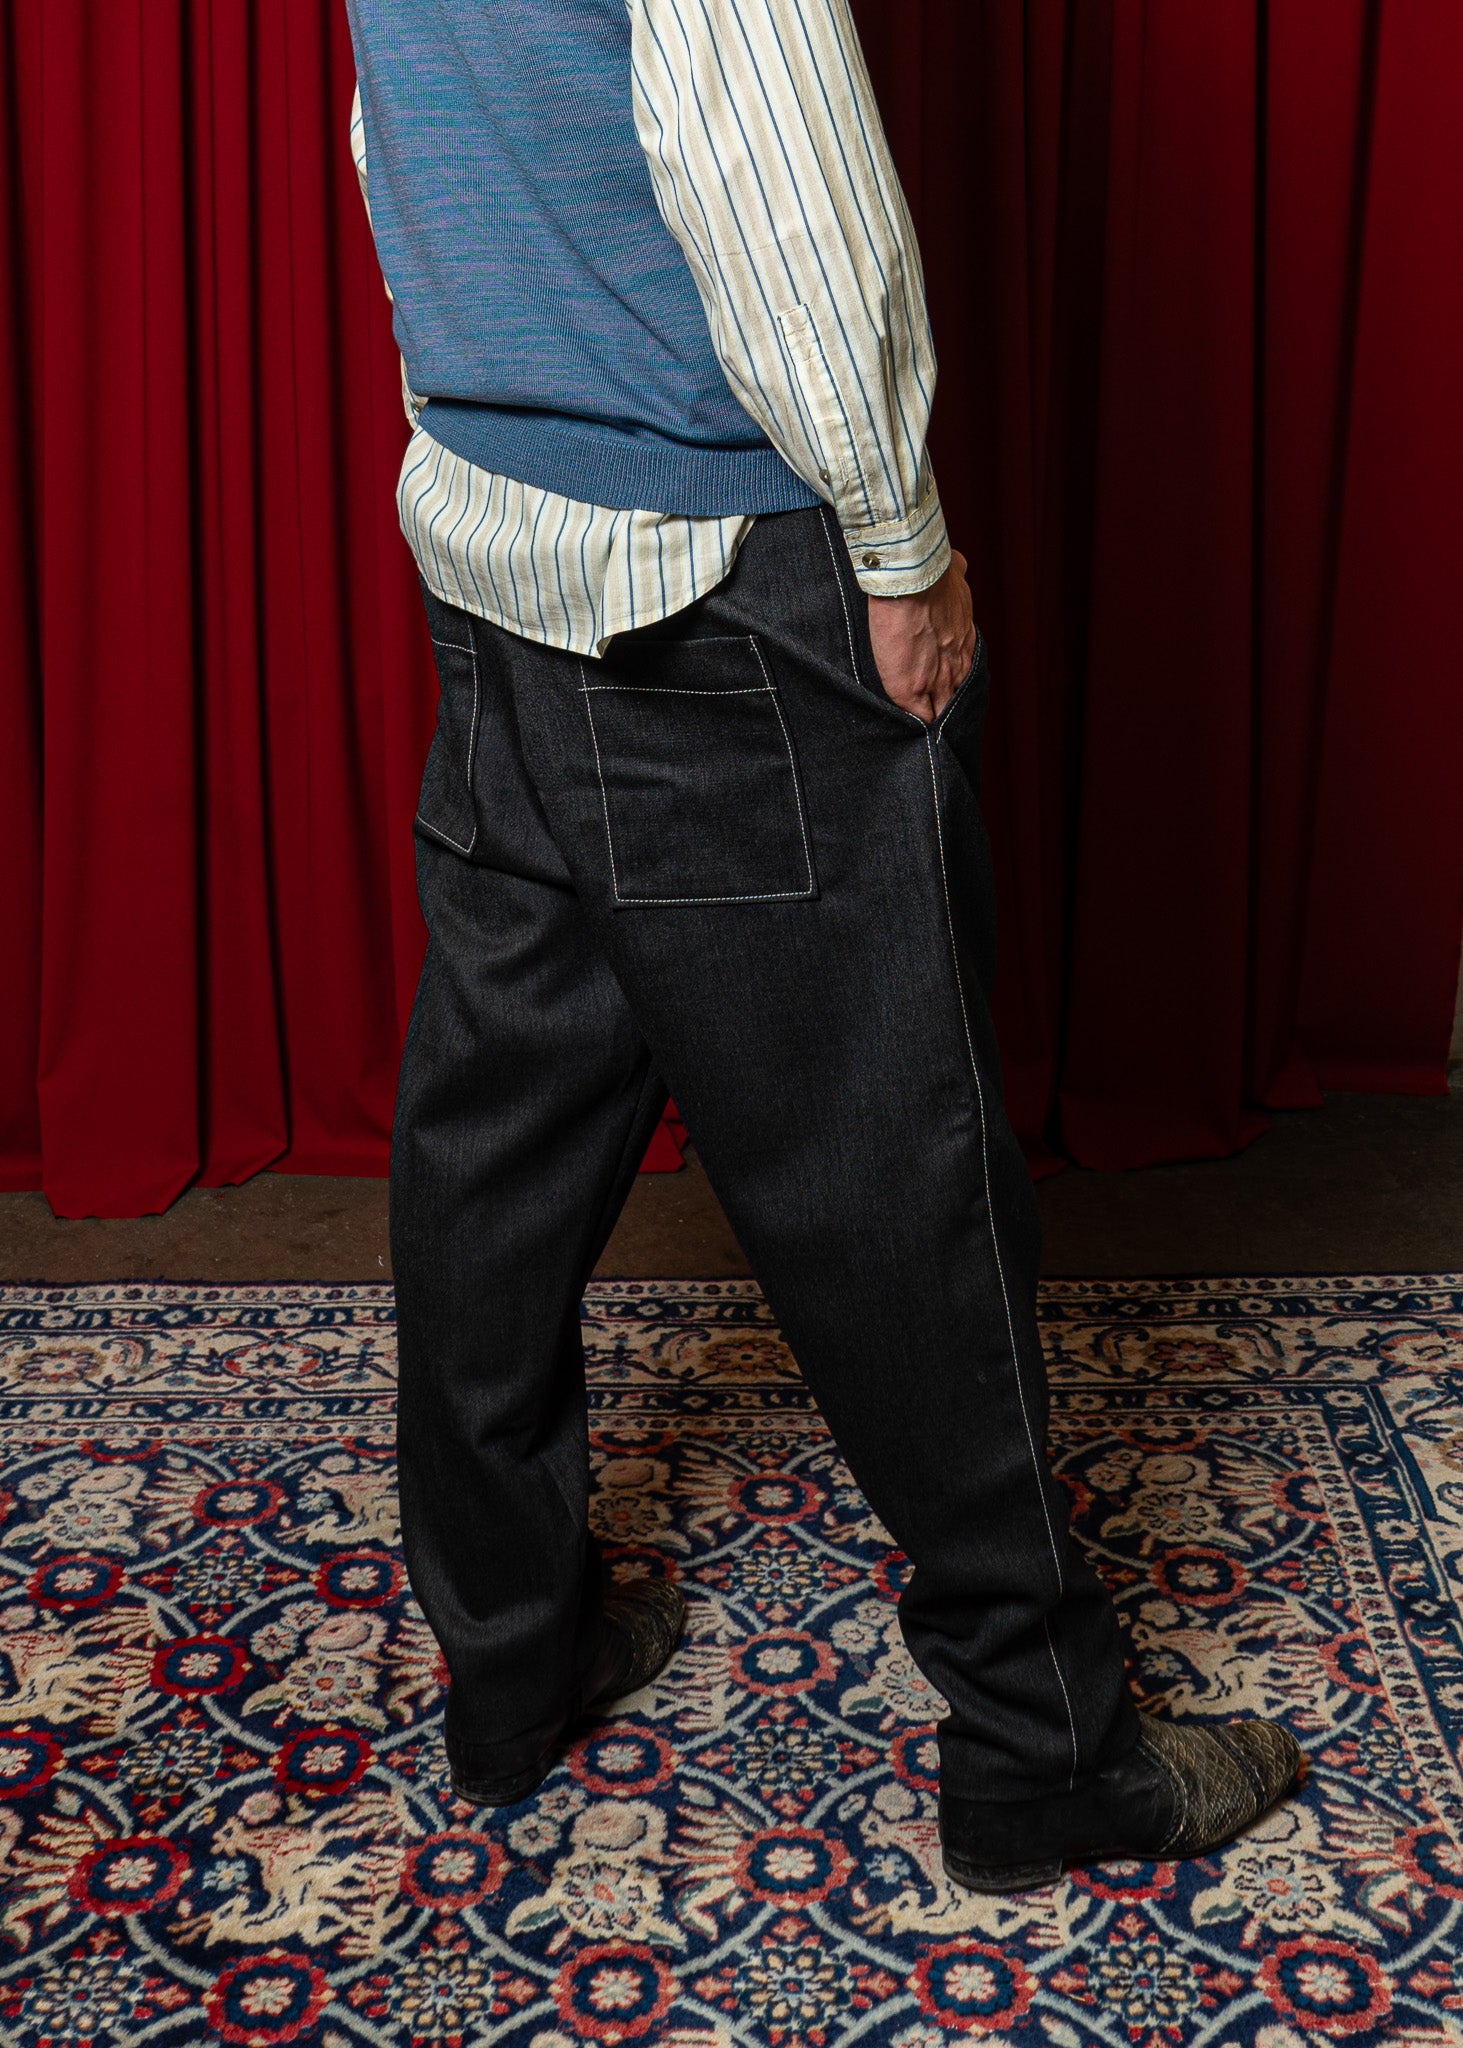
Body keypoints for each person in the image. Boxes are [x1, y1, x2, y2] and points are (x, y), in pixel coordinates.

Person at [343, 0, 1301, 1893]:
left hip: (497, 545)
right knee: (895, 1166)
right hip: (716, 578)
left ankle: (510, 1661)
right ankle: (1041, 1744)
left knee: (492, 1147)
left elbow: (401, 138)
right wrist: (898, 540)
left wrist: (468, 415)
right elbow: (780, 180)